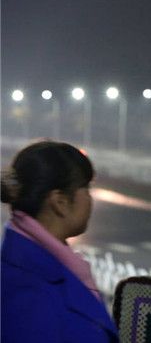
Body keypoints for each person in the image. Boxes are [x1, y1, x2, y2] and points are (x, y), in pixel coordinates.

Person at [1, 140, 119, 343]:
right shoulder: (30, 295)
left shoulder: (34, 267)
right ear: (60, 201)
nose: (90, 200)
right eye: (87, 188)